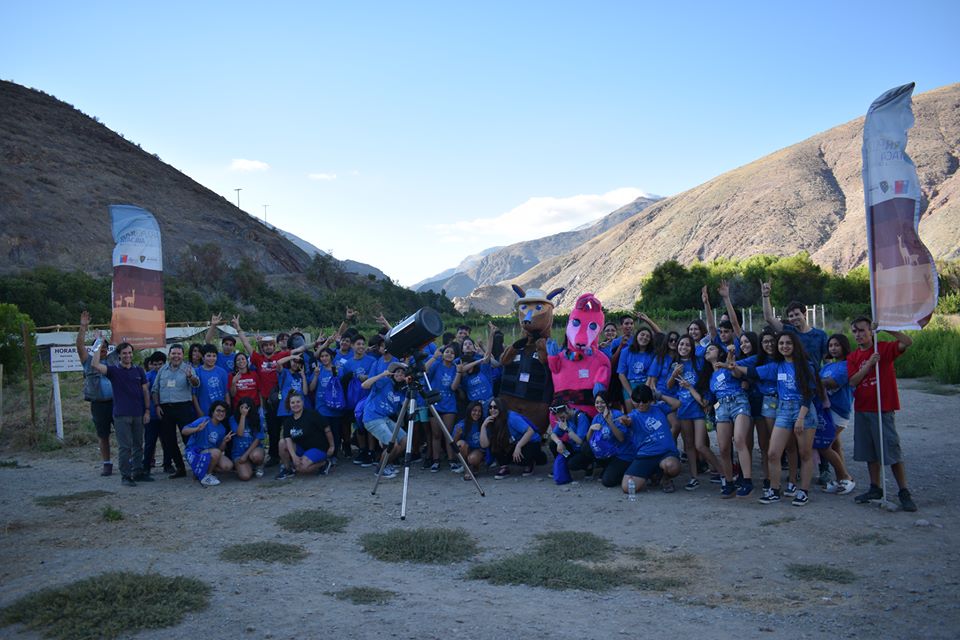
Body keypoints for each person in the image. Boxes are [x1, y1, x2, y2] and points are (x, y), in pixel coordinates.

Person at [743, 332, 823, 506]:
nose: (784, 346)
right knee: (773, 453)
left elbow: (809, 393)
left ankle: (803, 491)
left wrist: (801, 418)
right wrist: (730, 366)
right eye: (781, 344)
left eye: (788, 343)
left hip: (804, 411)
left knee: (805, 453)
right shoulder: (776, 366)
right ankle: (774, 489)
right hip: (783, 410)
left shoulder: (805, 366)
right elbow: (752, 372)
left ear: (795, 345)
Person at [846, 317, 916, 511]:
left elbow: (907, 342)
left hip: (882, 408)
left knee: (890, 451)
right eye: (855, 331)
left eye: (862, 330)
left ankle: (903, 491)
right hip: (863, 409)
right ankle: (874, 487)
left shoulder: (883, 349)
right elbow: (852, 381)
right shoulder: (853, 357)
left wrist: (887, 328)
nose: (858, 334)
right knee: (870, 452)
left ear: (871, 331)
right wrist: (868, 364)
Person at [235, 322, 304, 466]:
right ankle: (274, 456)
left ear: (274, 346)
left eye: (270, 345)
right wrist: (238, 328)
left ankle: (292, 454)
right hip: (268, 401)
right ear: (262, 347)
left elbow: (299, 349)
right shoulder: (258, 359)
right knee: (273, 430)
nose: (268, 347)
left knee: (289, 429)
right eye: (265, 345)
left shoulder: (281, 355)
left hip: (285, 400)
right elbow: (246, 345)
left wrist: (317, 343)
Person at [91, 341, 152, 487]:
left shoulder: (139, 371)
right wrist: (98, 345)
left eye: (130, 352)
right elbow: (95, 365)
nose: (128, 355)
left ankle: (137, 472)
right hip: (121, 415)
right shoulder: (113, 371)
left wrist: (147, 410)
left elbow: (145, 391)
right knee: (125, 447)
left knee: (138, 444)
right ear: (119, 355)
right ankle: (126, 476)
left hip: (138, 413)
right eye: (124, 353)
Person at [667, 335, 719, 490]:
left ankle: (724, 473)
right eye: (681, 344)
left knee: (700, 445)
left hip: (697, 407)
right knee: (688, 445)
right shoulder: (674, 364)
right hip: (683, 409)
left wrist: (707, 400)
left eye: (687, 345)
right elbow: (669, 386)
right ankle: (694, 477)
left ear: (692, 348)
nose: (683, 347)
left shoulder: (698, 361)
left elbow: (705, 380)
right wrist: (673, 375)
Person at [708, 343, 755, 497]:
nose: (708, 350)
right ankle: (729, 483)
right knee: (723, 448)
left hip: (738, 401)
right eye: (706, 350)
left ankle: (747, 480)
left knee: (740, 439)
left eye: (712, 348)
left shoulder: (728, 365)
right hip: (721, 407)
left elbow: (735, 372)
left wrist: (729, 361)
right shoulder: (710, 377)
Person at [618, 386, 683, 494]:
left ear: (650, 400)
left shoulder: (659, 408)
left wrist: (660, 396)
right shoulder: (633, 415)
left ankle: (665, 478)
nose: (641, 404)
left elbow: (677, 404)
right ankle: (652, 474)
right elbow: (628, 421)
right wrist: (625, 422)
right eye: (637, 401)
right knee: (628, 487)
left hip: (665, 453)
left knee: (672, 466)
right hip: (645, 455)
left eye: (644, 401)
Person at [76, 311, 116, 476]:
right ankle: (106, 463)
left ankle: (128, 460)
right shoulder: (88, 362)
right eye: (100, 347)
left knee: (123, 433)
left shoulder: (114, 360)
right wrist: (83, 327)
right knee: (103, 434)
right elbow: (79, 346)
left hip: (116, 402)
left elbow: (125, 344)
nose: (104, 350)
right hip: (98, 403)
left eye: (105, 347)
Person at [151, 343, 199, 479]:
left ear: (182, 355)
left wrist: (190, 377)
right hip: (166, 409)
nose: (176, 356)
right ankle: (180, 468)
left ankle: (196, 467)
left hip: (183, 408)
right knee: (169, 440)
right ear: (169, 355)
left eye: (178, 354)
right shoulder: (162, 370)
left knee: (188, 439)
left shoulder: (187, 368)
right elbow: (155, 389)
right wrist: (157, 405)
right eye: (173, 353)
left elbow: (196, 384)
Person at [360, 362, 412, 479]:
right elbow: (364, 385)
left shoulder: (401, 391)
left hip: (385, 418)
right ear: (392, 374)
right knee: (392, 445)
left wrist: (410, 387)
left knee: (404, 441)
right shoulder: (385, 381)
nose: (400, 374)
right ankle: (380, 469)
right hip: (373, 417)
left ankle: (387, 464)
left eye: (403, 373)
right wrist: (381, 375)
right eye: (397, 372)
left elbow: (407, 406)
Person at [818, 334, 856, 495]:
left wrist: (811, 379)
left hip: (839, 411)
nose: (833, 348)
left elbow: (832, 383)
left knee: (823, 445)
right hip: (826, 411)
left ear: (844, 347)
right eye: (831, 345)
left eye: (837, 345)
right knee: (835, 445)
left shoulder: (848, 365)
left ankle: (846, 476)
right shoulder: (827, 367)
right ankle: (842, 479)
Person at [480, 397, 547, 479]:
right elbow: (484, 445)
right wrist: (483, 426)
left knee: (522, 459)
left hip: (530, 441)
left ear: (501, 407)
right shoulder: (490, 421)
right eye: (490, 407)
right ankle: (504, 467)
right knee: (494, 443)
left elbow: (530, 431)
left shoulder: (511, 417)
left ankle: (531, 462)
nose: (492, 410)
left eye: (495, 407)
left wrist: (518, 446)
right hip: (513, 443)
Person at [276, 390, 335, 479]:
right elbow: (288, 439)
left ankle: (324, 463)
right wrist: (294, 456)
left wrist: (332, 446)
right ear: (289, 404)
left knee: (302, 468)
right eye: (292, 403)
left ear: (303, 402)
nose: (295, 404)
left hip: (317, 447)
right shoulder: (288, 421)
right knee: (282, 443)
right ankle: (288, 469)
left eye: (298, 402)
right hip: (301, 448)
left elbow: (327, 429)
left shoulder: (312, 414)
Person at [425, 343, 462, 472]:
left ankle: (451, 460)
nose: (449, 354)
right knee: (436, 434)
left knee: (448, 434)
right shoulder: (436, 364)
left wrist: (458, 372)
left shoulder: (455, 367)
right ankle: (436, 461)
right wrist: (434, 357)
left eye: (452, 352)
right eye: (447, 352)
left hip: (449, 404)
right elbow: (424, 370)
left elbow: (453, 387)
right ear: (442, 353)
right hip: (435, 403)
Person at [181, 400, 235, 486]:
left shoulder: (222, 429)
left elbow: (219, 450)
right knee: (215, 453)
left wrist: (224, 441)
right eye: (218, 410)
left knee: (228, 466)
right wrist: (197, 429)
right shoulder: (204, 420)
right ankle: (206, 476)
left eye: (223, 411)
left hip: (209, 453)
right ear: (212, 412)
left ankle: (200, 471)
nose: (221, 413)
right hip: (195, 452)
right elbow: (184, 431)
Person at [547, 404, 594, 479]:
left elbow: (580, 441)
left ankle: (589, 466)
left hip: (583, 450)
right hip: (573, 448)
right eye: (559, 417)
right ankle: (562, 466)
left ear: (566, 409)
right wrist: (559, 442)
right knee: (553, 444)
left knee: (572, 464)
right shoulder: (564, 419)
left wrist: (566, 429)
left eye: (562, 416)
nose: (561, 419)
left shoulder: (580, 417)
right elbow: (553, 434)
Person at [142, 350, 168, 474]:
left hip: (166, 414)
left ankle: (168, 464)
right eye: (155, 364)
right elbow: (144, 390)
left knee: (167, 441)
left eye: (160, 364)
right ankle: (146, 466)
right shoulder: (148, 376)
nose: (158, 367)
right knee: (150, 442)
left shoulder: (169, 374)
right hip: (152, 415)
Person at [229, 397, 266, 480]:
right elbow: (240, 433)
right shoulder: (233, 419)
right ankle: (248, 466)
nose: (244, 409)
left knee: (256, 456)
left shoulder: (258, 419)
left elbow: (258, 439)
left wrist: (245, 455)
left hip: (253, 450)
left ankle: (258, 465)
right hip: (238, 453)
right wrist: (243, 416)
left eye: (246, 407)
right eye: (241, 407)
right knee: (245, 476)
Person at [193, 344, 230, 418]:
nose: (212, 358)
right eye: (209, 356)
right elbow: (194, 395)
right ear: (203, 357)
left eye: (214, 356)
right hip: (205, 411)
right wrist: (199, 411)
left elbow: (226, 393)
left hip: (221, 412)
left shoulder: (222, 372)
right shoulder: (196, 372)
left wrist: (228, 409)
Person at [452, 401, 486, 480]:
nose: (477, 413)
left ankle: (476, 466)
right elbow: (453, 444)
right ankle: (467, 468)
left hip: (479, 449)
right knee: (460, 444)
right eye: (474, 410)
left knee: (473, 458)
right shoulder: (461, 424)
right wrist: (457, 435)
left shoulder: (483, 423)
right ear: (469, 411)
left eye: (479, 411)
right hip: (467, 450)